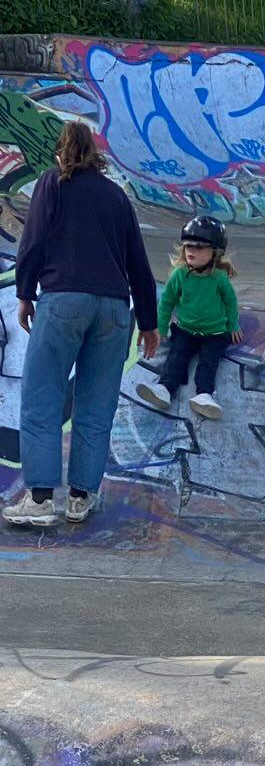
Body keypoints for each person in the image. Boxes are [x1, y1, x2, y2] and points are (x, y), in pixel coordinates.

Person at [4, 121, 158, 529]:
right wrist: (148, 321)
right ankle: (79, 498)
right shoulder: (115, 195)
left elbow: (33, 240)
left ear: (61, 153)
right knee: (96, 404)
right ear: (97, 155)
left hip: (63, 300)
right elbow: (137, 262)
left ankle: (38, 500)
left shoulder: (53, 183)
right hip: (112, 308)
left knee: (42, 399)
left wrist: (24, 293)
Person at [136, 216, 240, 421]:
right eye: (188, 246)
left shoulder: (219, 278)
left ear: (215, 253)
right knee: (177, 356)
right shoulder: (179, 275)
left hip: (215, 333)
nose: (191, 250)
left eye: (199, 247)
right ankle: (164, 389)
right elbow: (166, 303)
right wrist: (162, 328)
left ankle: (204, 395)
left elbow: (230, 302)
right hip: (186, 330)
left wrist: (233, 324)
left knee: (208, 363)